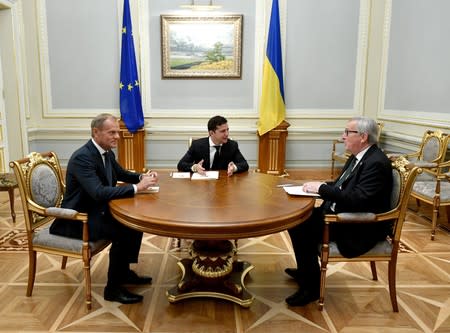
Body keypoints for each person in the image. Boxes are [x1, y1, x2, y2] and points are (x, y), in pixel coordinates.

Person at [50, 113, 158, 304]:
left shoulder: (106, 151)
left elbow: (121, 173)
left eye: (117, 132)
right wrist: (136, 189)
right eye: (112, 132)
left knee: (134, 222)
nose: (117, 136)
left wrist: (142, 177)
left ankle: (123, 273)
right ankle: (113, 290)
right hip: (77, 218)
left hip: (95, 211)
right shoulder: (83, 158)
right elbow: (98, 192)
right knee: (123, 231)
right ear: (96, 132)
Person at [285, 116, 393, 306]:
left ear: (363, 137)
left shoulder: (375, 163)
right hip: (341, 212)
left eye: (347, 132)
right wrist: (317, 186)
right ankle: (307, 271)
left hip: (357, 225)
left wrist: (321, 189)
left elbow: (357, 199)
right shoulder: (359, 156)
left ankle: (311, 287)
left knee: (302, 228)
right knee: (296, 221)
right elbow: (342, 186)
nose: (342, 137)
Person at [177, 115, 249, 176]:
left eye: (227, 130)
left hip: (223, 183)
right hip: (203, 184)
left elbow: (244, 164)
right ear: (211, 133)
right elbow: (181, 164)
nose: (227, 134)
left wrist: (234, 168)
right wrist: (195, 167)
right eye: (223, 131)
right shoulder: (197, 145)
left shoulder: (232, 145)